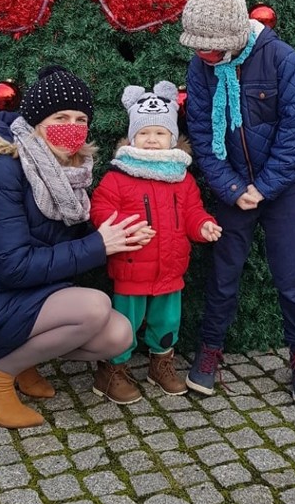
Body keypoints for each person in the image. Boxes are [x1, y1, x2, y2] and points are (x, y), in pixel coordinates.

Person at [0, 65, 152, 429]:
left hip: (30, 296)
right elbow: (14, 266)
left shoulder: (72, 174)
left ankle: (23, 362)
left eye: (80, 118)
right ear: (36, 122)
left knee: (119, 335)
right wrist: (99, 245)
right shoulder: (2, 172)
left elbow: (68, 247)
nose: (71, 126)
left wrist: (117, 235)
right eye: (60, 117)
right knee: (94, 306)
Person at [179, 0, 295, 404]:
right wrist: (231, 186)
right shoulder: (201, 66)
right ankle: (209, 352)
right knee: (223, 276)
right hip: (233, 188)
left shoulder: (281, 59)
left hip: (280, 187)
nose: (204, 55)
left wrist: (263, 188)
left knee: (289, 278)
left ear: (236, 35)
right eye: (198, 47)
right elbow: (202, 133)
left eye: (211, 47)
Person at [90, 81, 221, 404]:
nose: (151, 140)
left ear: (172, 139)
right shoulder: (118, 177)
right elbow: (100, 210)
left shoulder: (182, 177)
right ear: (133, 137)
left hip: (170, 269)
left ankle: (160, 364)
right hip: (131, 268)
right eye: (144, 133)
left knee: (167, 322)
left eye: (160, 134)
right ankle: (111, 370)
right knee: (124, 324)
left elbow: (192, 211)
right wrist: (125, 229)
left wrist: (203, 225)